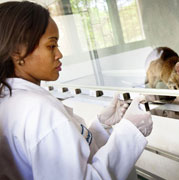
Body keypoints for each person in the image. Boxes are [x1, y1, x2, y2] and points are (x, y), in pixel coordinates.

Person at [0, 1, 153, 180]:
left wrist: (101, 125)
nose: (59, 54)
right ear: (17, 53)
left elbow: (70, 157)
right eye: (51, 46)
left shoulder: (11, 100)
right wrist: (131, 130)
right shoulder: (38, 109)